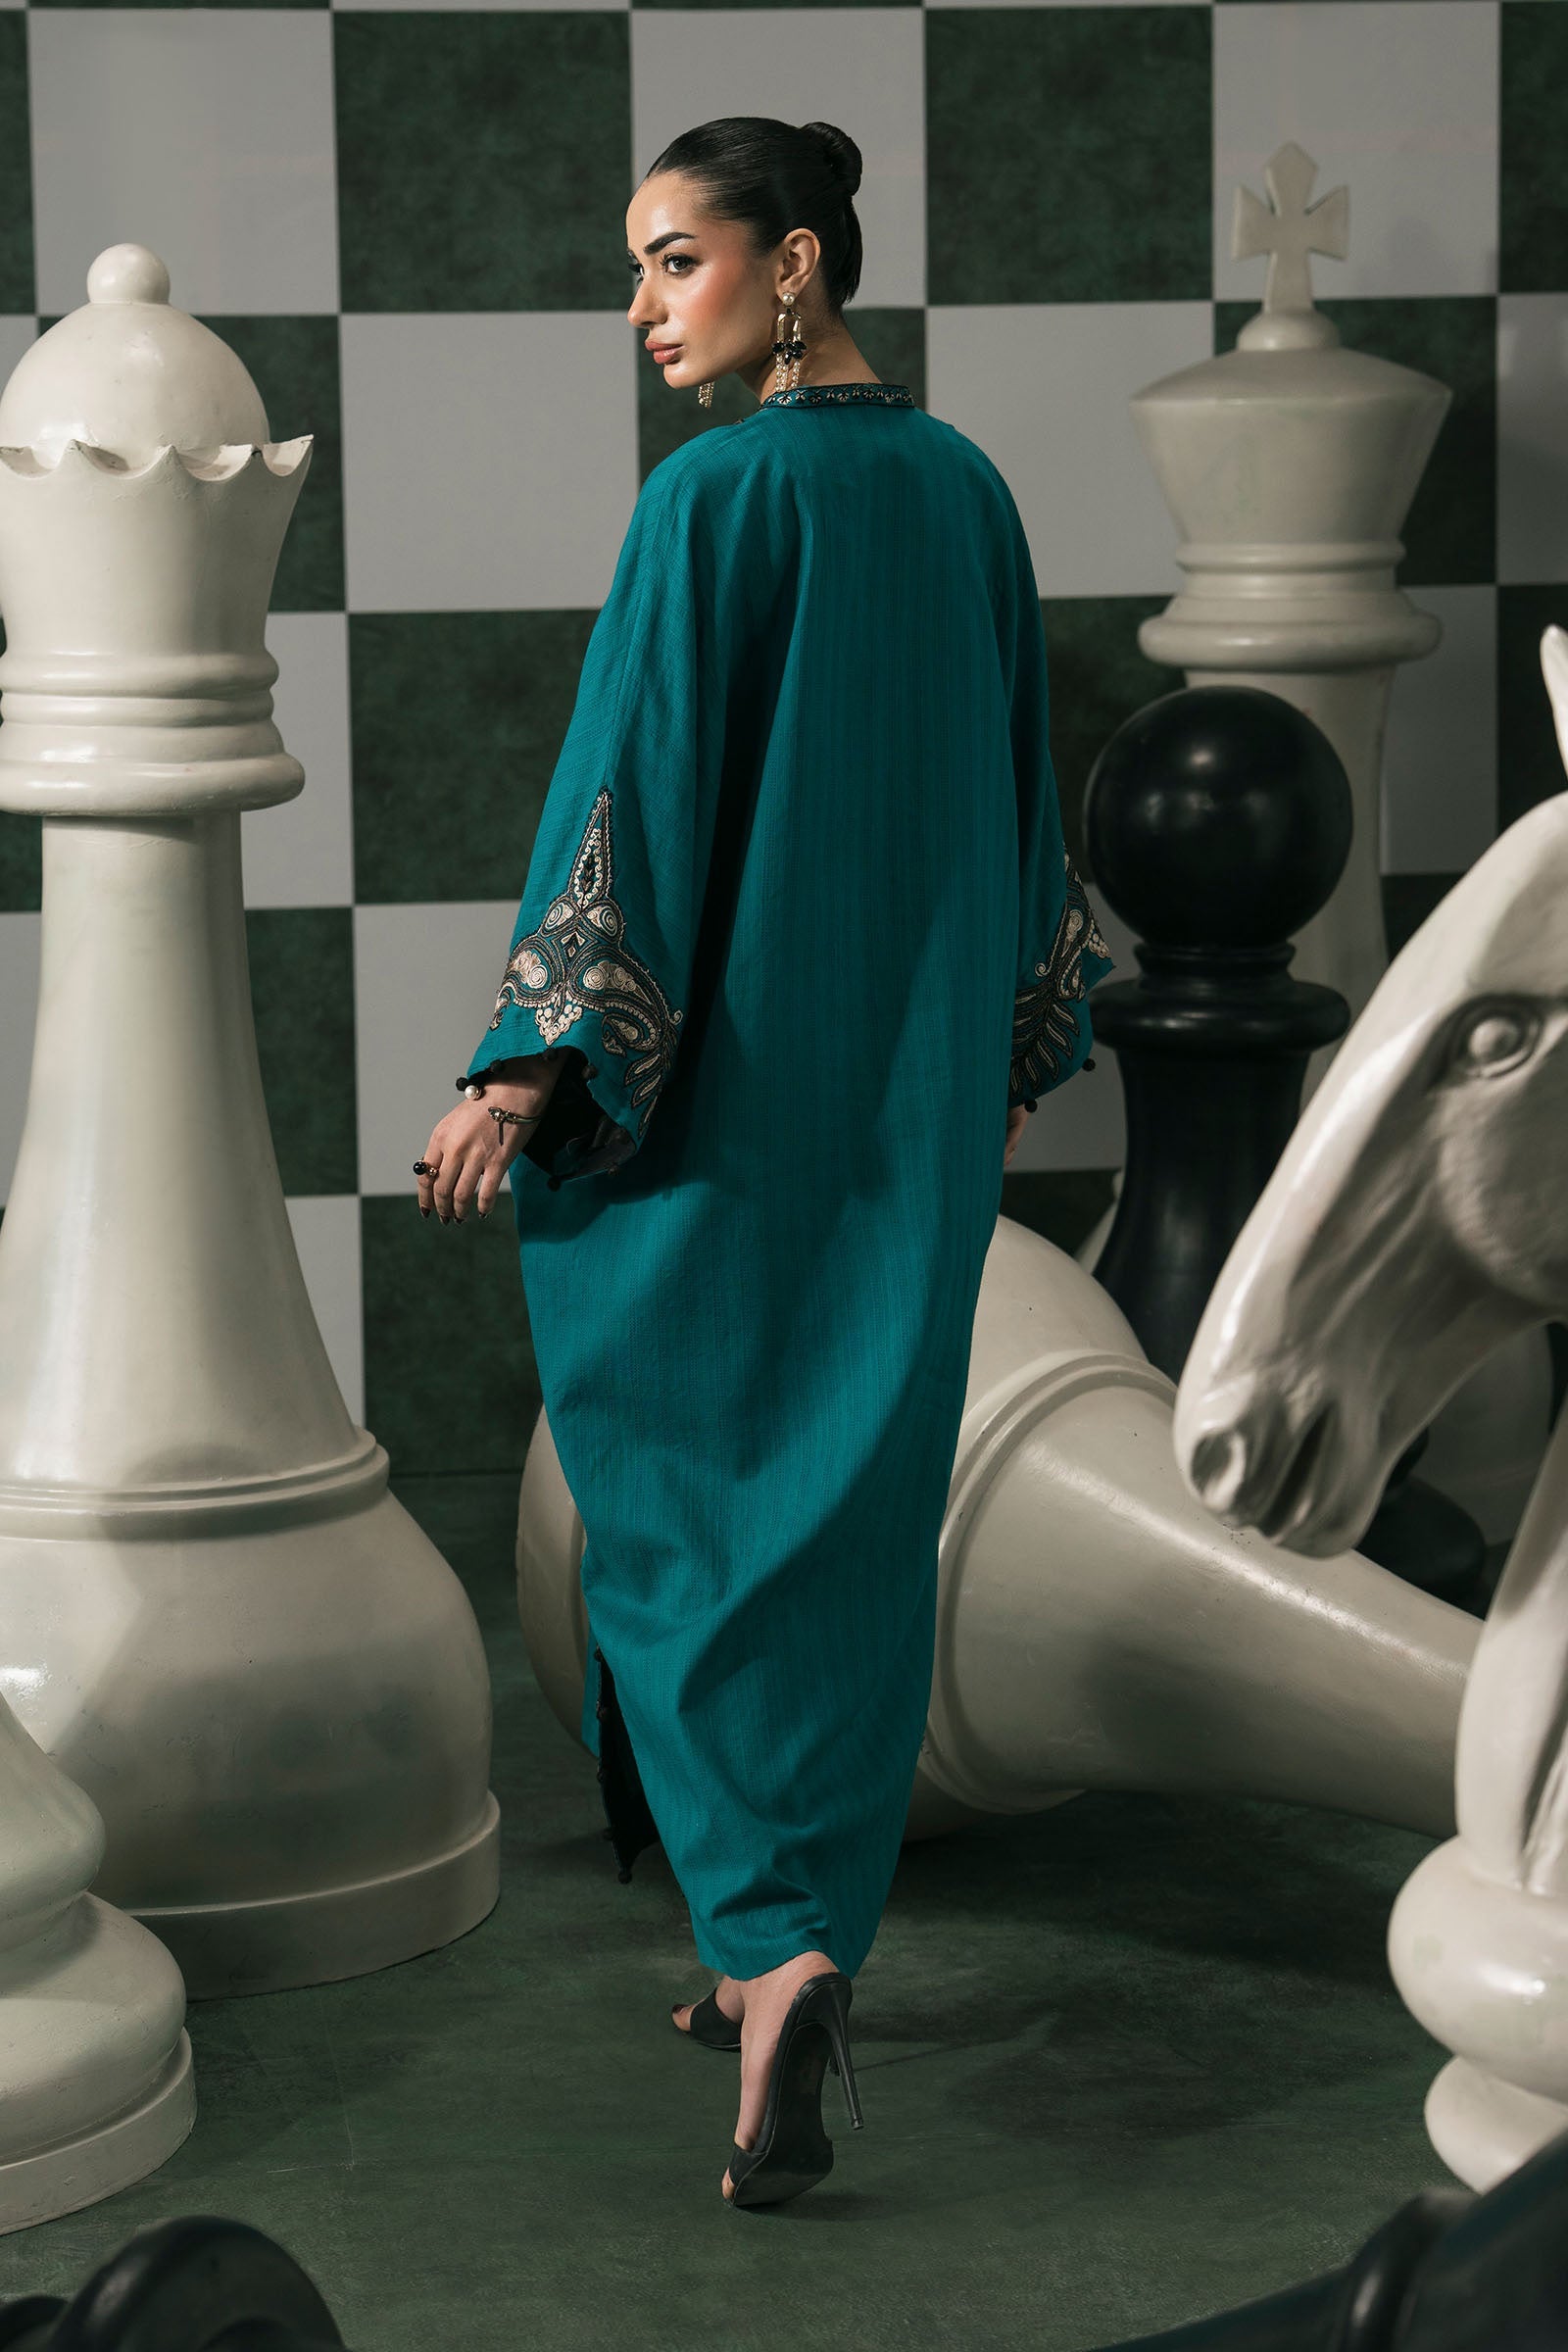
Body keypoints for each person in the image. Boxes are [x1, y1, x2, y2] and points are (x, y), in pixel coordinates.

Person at [414, 115, 1111, 2210]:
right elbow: (1022, 799)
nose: (644, 309)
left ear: (791, 264)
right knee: (846, 1517)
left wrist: (528, 1073)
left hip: (722, 1111)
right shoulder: (966, 492)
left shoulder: (710, 503)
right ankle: (775, 1949)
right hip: (908, 1114)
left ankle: (776, 1946)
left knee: (680, 1508)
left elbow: (626, 798)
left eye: (673, 261)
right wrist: (1005, 1053)